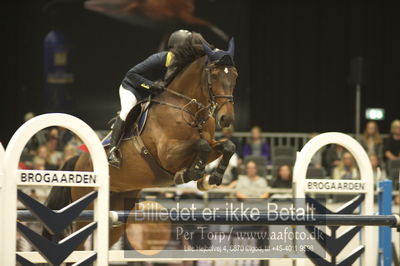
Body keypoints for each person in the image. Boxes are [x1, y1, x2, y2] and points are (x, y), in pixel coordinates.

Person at [108, 29, 193, 167]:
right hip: (132, 89)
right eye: (187, 49)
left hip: (152, 94)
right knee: (126, 112)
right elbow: (132, 75)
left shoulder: (182, 66)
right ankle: (112, 150)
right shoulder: (159, 59)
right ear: (176, 48)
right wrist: (150, 85)